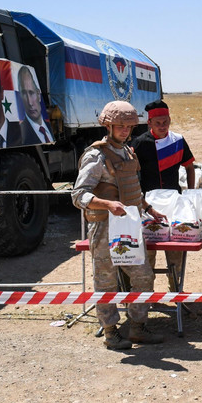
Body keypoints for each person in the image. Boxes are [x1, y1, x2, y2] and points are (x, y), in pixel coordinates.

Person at [71, 100, 166, 350]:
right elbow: (79, 195)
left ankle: (137, 327)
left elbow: (131, 188)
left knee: (143, 275)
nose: (125, 130)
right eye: (120, 126)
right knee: (106, 280)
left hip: (129, 226)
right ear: (108, 125)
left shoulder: (128, 151)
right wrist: (107, 204)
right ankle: (111, 331)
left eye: (129, 126)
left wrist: (148, 208)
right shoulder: (96, 156)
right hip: (104, 227)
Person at [131, 100, 195, 291]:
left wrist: (189, 193)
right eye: (157, 123)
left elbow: (190, 167)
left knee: (176, 248)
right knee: (147, 250)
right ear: (149, 123)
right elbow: (131, 173)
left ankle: (176, 290)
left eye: (165, 122)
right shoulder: (139, 143)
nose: (162, 126)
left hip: (174, 202)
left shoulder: (177, 140)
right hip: (147, 204)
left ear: (170, 120)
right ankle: (146, 293)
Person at [17, 66, 53, 144]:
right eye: (24, 94)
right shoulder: (19, 135)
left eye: (31, 93)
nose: (30, 102)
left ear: (38, 95)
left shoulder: (50, 128)